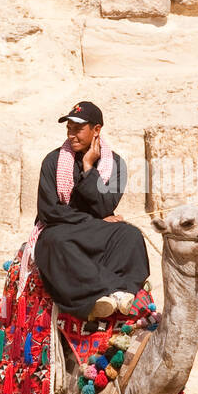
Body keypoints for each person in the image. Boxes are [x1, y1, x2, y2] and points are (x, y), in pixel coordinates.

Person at [32, 100, 150, 321]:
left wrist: (88, 168)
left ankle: (124, 294)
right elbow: (49, 211)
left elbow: (106, 207)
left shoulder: (115, 164)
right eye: (69, 129)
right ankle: (112, 291)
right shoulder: (53, 161)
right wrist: (94, 221)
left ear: (96, 130)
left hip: (95, 229)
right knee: (55, 242)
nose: (71, 135)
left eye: (78, 129)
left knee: (129, 235)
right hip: (62, 229)